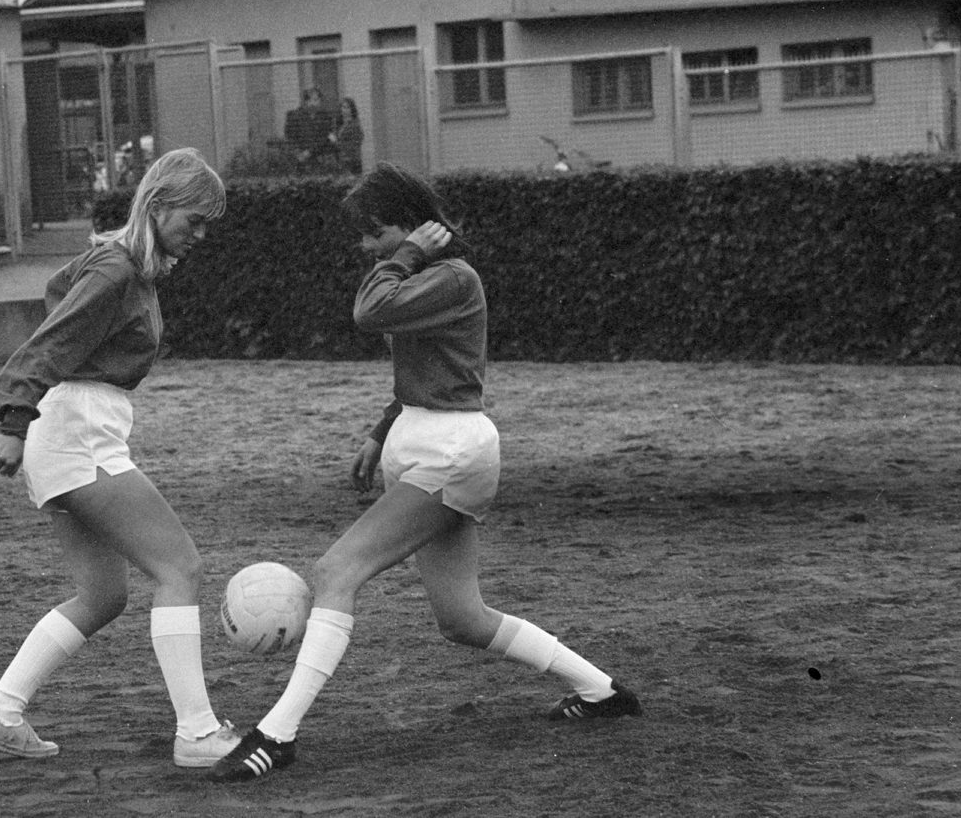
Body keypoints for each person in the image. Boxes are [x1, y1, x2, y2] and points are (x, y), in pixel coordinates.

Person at [210, 162, 641, 782]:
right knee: (462, 619)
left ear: (414, 228)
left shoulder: (452, 277)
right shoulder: (429, 275)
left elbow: (369, 310)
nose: (366, 247)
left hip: (450, 452)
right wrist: (382, 430)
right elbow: (429, 364)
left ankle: (276, 736)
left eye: (375, 232)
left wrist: (405, 252)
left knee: (336, 570)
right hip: (427, 440)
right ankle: (604, 692)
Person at [0, 147, 242, 768]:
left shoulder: (121, 267)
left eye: (206, 225)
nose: (199, 235)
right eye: (193, 220)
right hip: (76, 432)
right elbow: (51, 339)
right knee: (180, 567)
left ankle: (0, 713)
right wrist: (13, 419)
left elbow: (57, 292)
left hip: (74, 432)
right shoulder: (117, 270)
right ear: (159, 203)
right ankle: (197, 734)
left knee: (101, 596)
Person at [285, 88, 335, 171]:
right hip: (299, 158)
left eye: (319, 100)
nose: (318, 103)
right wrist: (297, 152)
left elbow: (326, 136)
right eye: (315, 100)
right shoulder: (295, 116)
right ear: (307, 101)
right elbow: (290, 136)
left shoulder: (324, 116)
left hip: (319, 158)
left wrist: (310, 151)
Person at [331, 97, 364, 175]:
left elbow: (353, 145)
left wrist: (336, 142)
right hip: (340, 162)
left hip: (352, 162)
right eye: (343, 107)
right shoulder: (339, 124)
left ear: (352, 109)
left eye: (347, 107)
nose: (345, 110)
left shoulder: (355, 125)